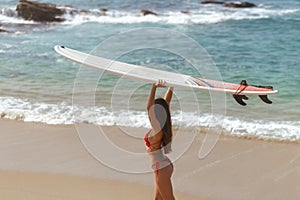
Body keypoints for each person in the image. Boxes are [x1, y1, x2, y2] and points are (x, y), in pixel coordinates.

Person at [144, 80, 175, 200]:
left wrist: (154, 87)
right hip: (162, 166)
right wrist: (172, 86)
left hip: (161, 169)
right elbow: (166, 103)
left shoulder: (157, 129)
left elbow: (148, 108)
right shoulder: (161, 126)